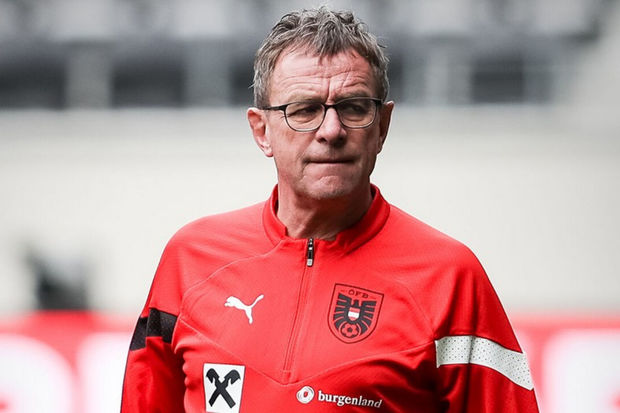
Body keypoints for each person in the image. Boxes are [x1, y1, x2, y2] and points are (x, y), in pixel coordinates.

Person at [121, 7, 540, 413]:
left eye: (354, 108)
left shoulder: (450, 278)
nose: (332, 130)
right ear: (261, 131)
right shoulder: (190, 260)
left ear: (382, 126)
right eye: (304, 110)